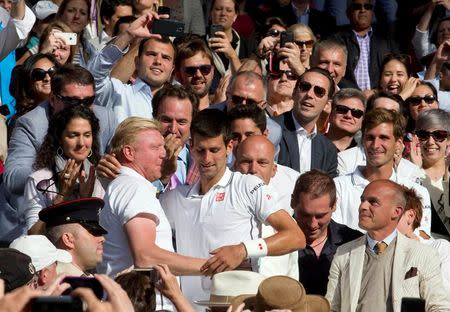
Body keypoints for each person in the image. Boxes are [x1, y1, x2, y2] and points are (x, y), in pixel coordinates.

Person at [160, 109, 305, 305]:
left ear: (229, 147)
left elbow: (296, 237)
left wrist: (243, 250)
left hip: (239, 306)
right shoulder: (175, 198)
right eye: (200, 150)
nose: (207, 159)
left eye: (214, 150)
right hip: (189, 306)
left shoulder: (248, 185)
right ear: (191, 147)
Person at [99, 117, 206, 309]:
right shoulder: (134, 187)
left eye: (163, 147)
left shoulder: (126, 186)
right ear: (129, 153)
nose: (164, 154)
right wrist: (208, 267)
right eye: (155, 147)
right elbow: (145, 255)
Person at [3, 64, 116, 241]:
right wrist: (57, 172)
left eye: (88, 101)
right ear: (54, 100)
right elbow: (13, 177)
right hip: (34, 220)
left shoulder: (106, 117)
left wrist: (112, 168)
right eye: (73, 101)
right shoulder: (31, 123)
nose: (83, 108)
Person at [326, 180, 450, 311]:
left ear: (396, 212)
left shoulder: (423, 254)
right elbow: (332, 307)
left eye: (373, 202)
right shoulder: (344, 254)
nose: (363, 206)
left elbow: (439, 307)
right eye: (362, 200)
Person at [333, 108, 432, 234]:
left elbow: (421, 243)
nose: (375, 145)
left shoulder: (418, 192)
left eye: (383, 138)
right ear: (363, 141)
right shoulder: (338, 187)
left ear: (398, 143)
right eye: (370, 137)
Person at [23, 105, 104, 234]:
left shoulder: (100, 176)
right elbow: (33, 233)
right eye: (73, 135)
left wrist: (85, 202)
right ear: (60, 139)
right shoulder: (39, 180)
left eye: (87, 135)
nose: (82, 143)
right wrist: (62, 198)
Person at [88, 11, 175, 122]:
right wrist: (128, 35)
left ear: (172, 69)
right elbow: (93, 78)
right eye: (151, 54)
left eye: (165, 58)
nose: (158, 61)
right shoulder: (118, 93)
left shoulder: (180, 102)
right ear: (137, 62)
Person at [234, 135, 300, 278]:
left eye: (262, 162)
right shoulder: (220, 212)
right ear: (235, 166)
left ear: (274, 170)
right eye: (246, 161)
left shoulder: (288, 222)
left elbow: (291, 278)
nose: (253, 169)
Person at [292, 169, 362, 295]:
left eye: (320, 216)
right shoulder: (274, 240)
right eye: (305, 215)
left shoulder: (354, 242)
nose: (312, 224)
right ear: (292, 202)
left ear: (334, 205)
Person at [274, 67, 338, 176]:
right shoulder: (271, 130)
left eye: (319, 91)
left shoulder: (328, 150)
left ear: (327, 104)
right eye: (305, 87)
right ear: (294, 92)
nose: (309, 94)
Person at [211, 71, 282, 158]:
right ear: (227, 96)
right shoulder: (207, 119)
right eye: (237, 99)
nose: (242, 105)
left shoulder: (272, 131)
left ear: (263, 105)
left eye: (251, 103)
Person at [333, 0, 399, 90]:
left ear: (372, 12)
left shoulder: (386, 42)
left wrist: (377, 92)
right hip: (348, 96)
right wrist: (357, 94)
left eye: (367, 7)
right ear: (348, 13)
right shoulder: (337, 40)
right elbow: (333, 72)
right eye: (357, 7)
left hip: (380, 96)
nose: (363, 10)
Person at [397, 186, 450, 294]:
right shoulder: (371, 248)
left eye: (394, 211)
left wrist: (418, 255)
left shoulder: (439, 248)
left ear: (410, 215)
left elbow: (444, 296)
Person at [40, 197, 107, 277]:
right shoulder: (56, 283)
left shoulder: (88, 279)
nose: (102, 239)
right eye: (94, 232)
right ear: (68, 240)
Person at [410, 109, 450, 239]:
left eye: (439, 135)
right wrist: (414, 170)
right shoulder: (408, 171)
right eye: (423, 135)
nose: (431, 142)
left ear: (448, 139)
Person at [10, 53, 59, 125]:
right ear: (28, 81)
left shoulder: (67, 111)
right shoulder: (22, 121)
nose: (47, 78)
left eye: (52, 72)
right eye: (39, 74)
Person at [175, 37, 214, 111]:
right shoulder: (172, 112)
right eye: (190, 70)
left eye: (205, 69)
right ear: (178, 75)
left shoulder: (225, 109)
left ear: (212, 71)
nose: (198, 75)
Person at [55, 0, 96, 67]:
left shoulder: (91, 52)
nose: (77, 16)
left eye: (83, 13)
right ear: (61, 14)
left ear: (88, 20)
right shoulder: (48, 42)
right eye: (71, 11)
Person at [325, 88, 366, 152]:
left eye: (356, 113)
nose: (348, 115)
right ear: (331, 113)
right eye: (342, 109)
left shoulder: (365, 156)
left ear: (362, 122)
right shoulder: (311, 144)